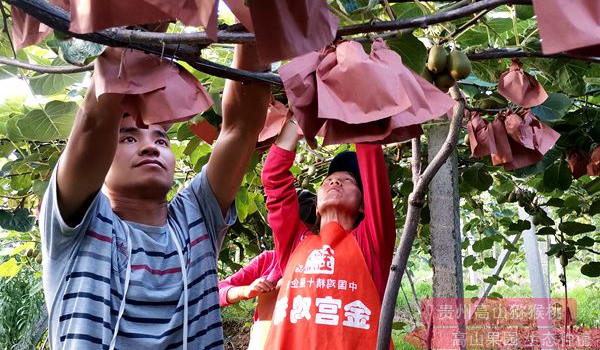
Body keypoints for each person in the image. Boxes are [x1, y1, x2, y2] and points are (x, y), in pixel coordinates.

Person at [38, 44, 270, 350]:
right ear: (103, 154)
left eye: (161, 139)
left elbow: (241, 127)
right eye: (129, 137)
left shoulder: (197, 217)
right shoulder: (76, 224)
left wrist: (251, 13)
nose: (151, 147)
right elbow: (96, 121)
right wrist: (144, 20)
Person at [261, 119, 396, 349]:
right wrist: (296, 123)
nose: (334, 181)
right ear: (315, 206)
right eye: (328, 180)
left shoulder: (371, 243)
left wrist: (353, 109)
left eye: (348, 180)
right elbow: (274, 181)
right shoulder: (295, 242)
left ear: (363, 205)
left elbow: (374, 169)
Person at [218, 190, 317, 350]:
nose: (301, 237)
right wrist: (246, 290)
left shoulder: (325, 264)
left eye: (308, 231)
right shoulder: (268, 260)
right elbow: (218, 291)